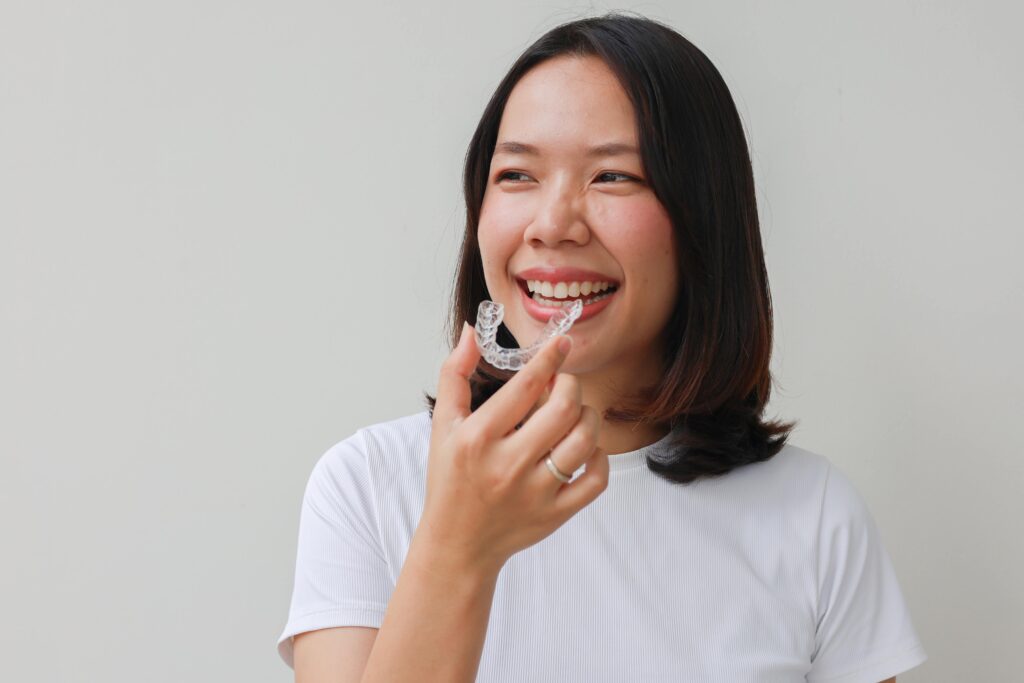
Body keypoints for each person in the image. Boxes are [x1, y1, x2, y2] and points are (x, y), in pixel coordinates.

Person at [277, 12, 928, 682]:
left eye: (613, 177)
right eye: (517, 175)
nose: (553, 224)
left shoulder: (815, 516)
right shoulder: (363, 487)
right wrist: (457, 545)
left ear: (703, 218)